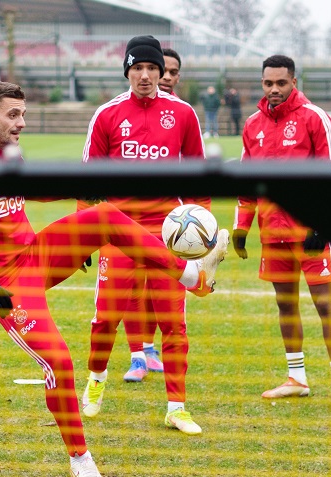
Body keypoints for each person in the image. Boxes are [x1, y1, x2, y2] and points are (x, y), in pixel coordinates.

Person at [0, 81, 227, 477]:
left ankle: (193, 276)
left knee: (106, 215)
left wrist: (75, 191)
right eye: (13, 115)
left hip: (37, 255)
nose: (22, 123)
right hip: (4, 285)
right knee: (59, 362)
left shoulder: (9, 154)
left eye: (24, 114)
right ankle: (80, 458)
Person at [80, 35, 225, 436]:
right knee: (105, 319)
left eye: (152, 68)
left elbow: (198, 177)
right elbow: (87, 181)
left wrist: (206, 236)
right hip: (117, 233)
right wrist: (82, 234)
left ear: (162, 72)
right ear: (127, 71)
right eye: (137, 68)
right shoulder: (107, 115)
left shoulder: (183, 114)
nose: (145, 76)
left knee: (174, 325)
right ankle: (96, 380)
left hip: (168, 236)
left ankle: (177, 408)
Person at [232, 54, 331, 410]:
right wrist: (242, 226)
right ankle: (296, 378)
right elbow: (247, 183)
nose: (274, 89)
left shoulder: (315, 118)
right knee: (285, 305)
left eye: (281, 83)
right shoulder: (252, 124)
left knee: (325, 304)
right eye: (268, 83)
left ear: (294, 82)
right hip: (273, 233)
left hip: (310, 234)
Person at [122, 45, 184, 379]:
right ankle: (141, 352)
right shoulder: (117, 111)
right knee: (134, 287)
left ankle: (151, 348)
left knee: (162, 289)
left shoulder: (182, 114)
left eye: (171, 72)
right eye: (139, 68)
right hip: (127, 220)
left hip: (169, 221)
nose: (166, 77)